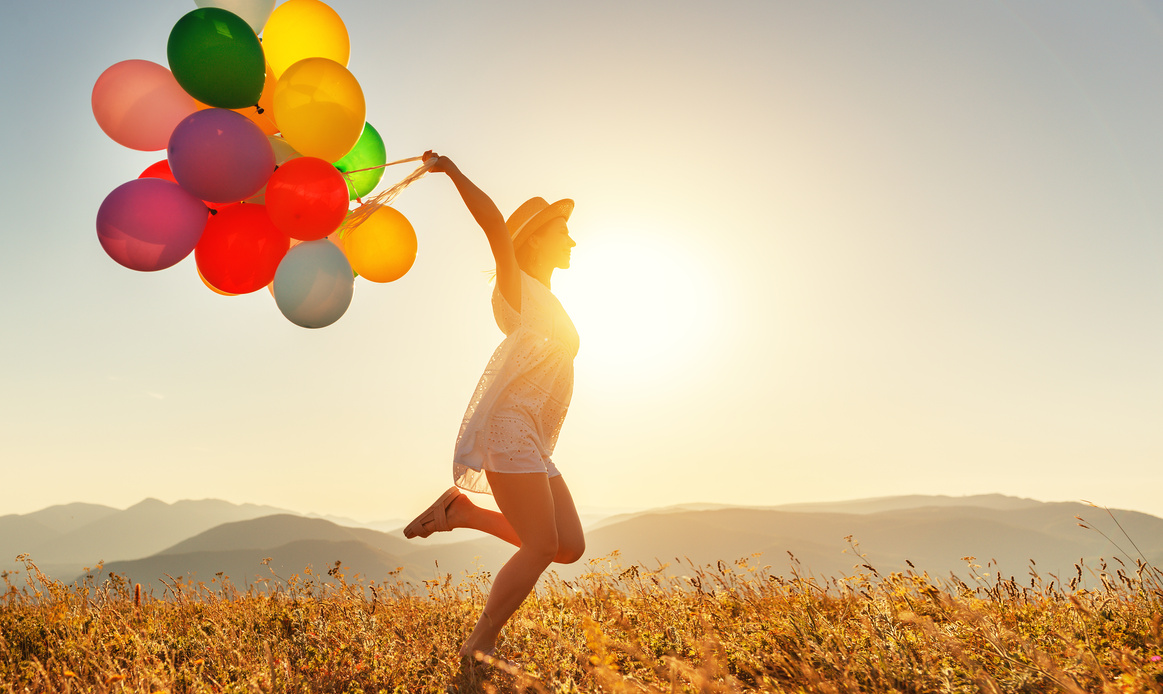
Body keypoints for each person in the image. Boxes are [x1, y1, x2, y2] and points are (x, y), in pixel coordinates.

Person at [403, 152, 586, 662]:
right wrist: (453, 172)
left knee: (568, 545)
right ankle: (478, 646)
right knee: (542, 546)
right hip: (508, 429)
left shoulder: (548, 297)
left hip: (533, 437)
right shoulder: (518, 288)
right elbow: (493, 227)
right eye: (562, 232)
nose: (572, 241)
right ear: (534, 240)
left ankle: (461, 512)